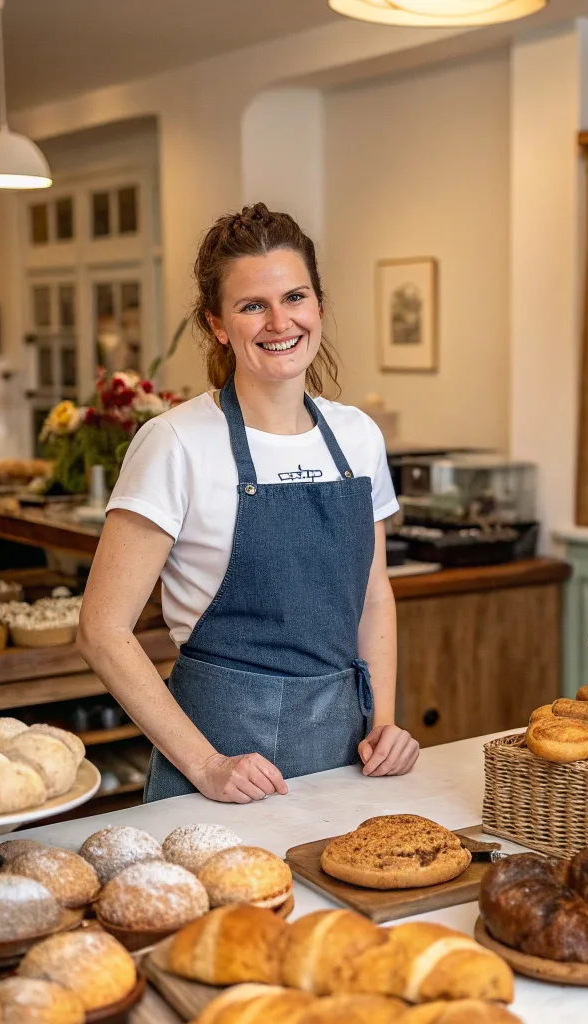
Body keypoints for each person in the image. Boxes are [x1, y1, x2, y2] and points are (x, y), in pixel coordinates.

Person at [77, 204, 419, 803]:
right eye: (252, 305)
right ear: (217, 324)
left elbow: (372, 593)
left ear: (318, 305)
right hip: (219, 766)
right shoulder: (174, 443)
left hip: (346, 753)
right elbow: (102, 632)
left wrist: (384, 723)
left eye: (295, 297)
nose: (279, 321)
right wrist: (207, 765)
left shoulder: (358, 436)